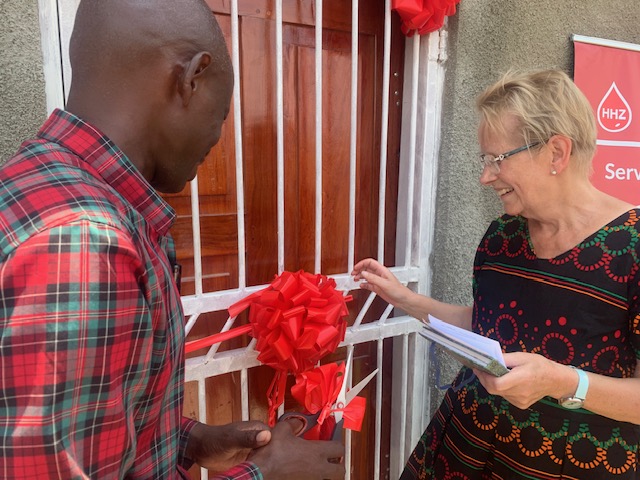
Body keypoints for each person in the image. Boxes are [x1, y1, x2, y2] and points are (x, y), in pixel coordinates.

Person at [0, 0, 344, 478]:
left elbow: (101, 422)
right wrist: (264, 475)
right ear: (191, 78)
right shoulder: (82, 243)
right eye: (220, 116)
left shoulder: (48, 189)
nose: (216, 138)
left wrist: (189, 439)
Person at [353, 69, 640, 479]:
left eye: (497, 160)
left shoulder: (632, 246)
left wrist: (563, 382)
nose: (485, 177)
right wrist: (403, 299)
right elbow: (491, 328)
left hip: (566, 464)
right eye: (483, 160)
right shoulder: (503, 235)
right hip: (462, 448)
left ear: (556, 152)